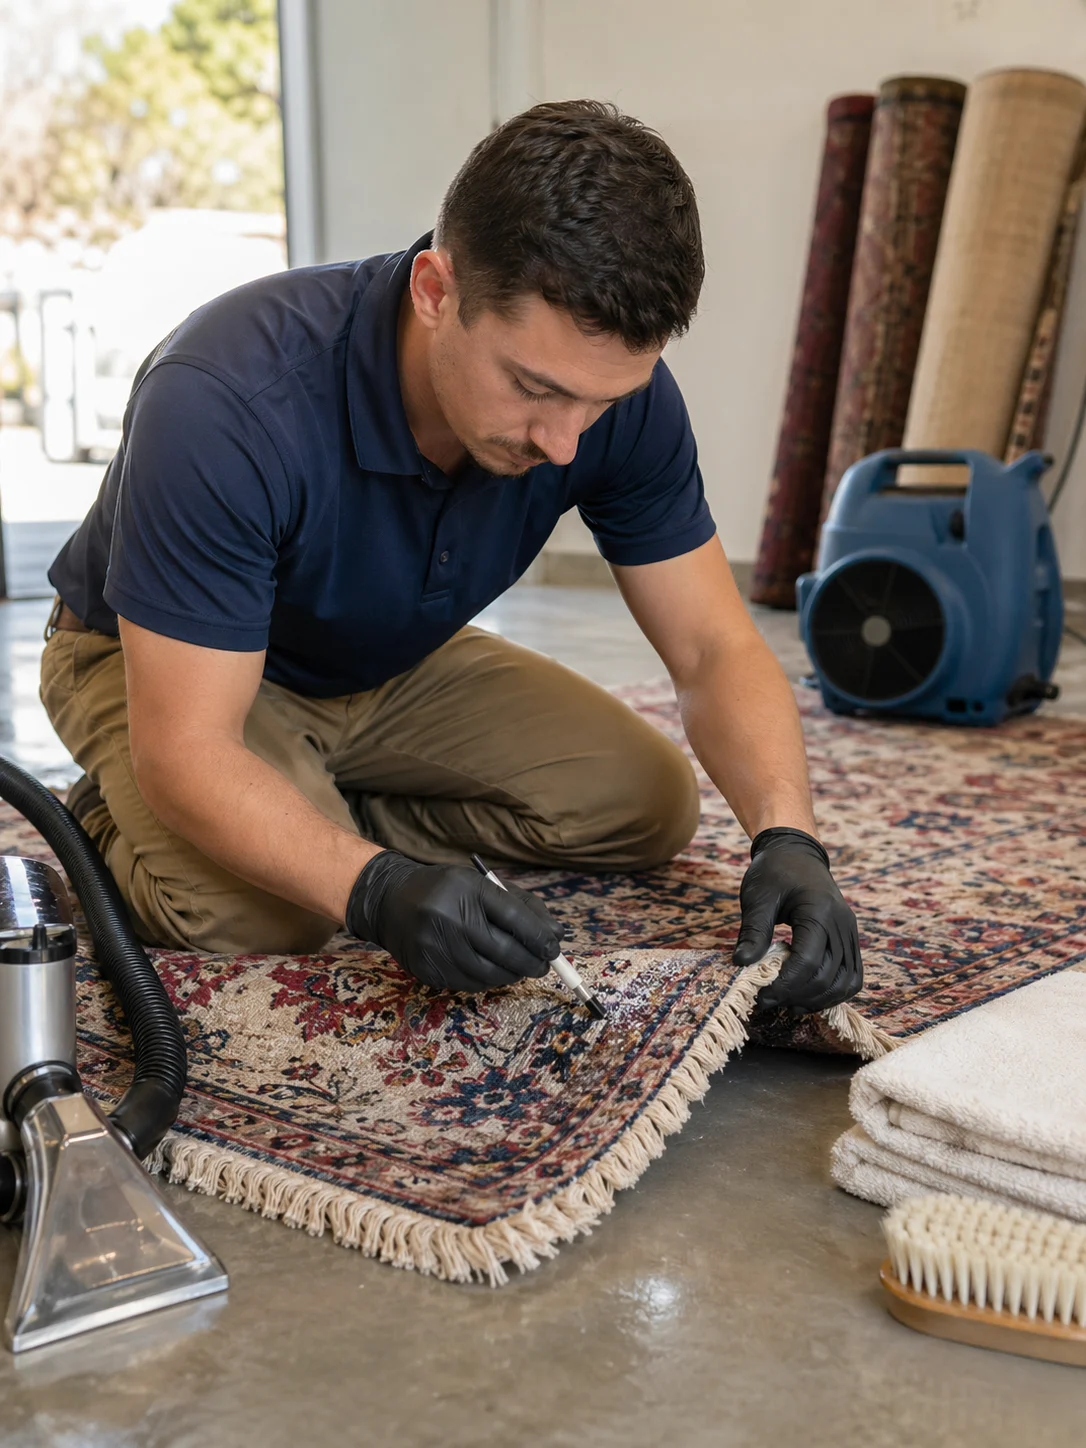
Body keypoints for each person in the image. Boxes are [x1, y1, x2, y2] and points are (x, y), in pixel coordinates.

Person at [42, 100, 861, 1014]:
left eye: (598, 404)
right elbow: (193, 747)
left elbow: (713, 647)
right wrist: (375, 890)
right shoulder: (225, 398)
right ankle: (114, 811)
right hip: (163, 663)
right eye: (534, 388)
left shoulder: (607, 398)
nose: (563, 443)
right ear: (436, 290)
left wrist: (790, 838)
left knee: (647, 803)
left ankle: (317, 805)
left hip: (382, 659)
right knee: (268, 918)